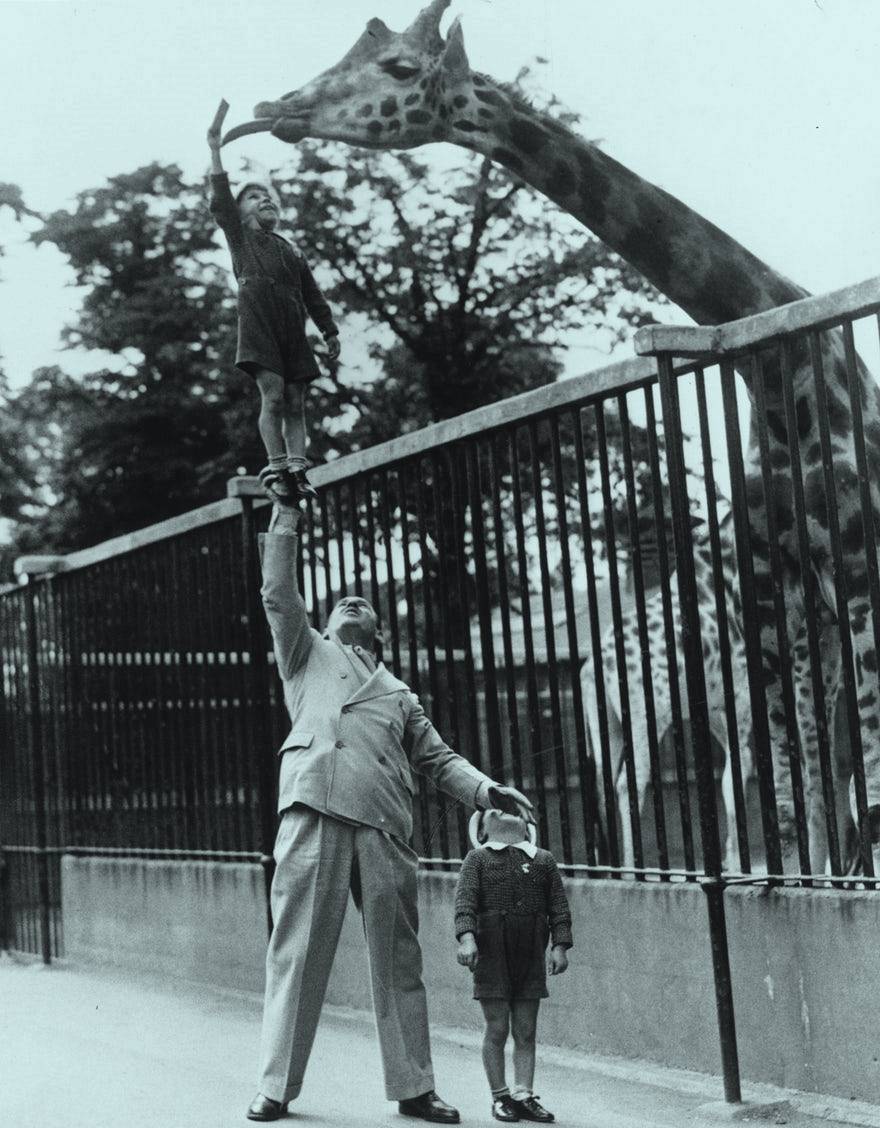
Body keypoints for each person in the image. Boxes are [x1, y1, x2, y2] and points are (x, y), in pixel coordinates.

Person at [246, 491, 534, 1123]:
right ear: (324, 624)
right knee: (296, 953)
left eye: (364, 604)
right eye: (341, 602)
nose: (352, 601)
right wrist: (286, 514)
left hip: (383, 827)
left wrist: (486, 790)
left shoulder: (400, 693)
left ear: (379, 633)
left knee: (400, 961)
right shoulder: (305, 652)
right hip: (315, 812)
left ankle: (414, 1087)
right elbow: (277, 593)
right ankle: (276, 1086)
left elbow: (439, 758)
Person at [207, 99, 340, 500]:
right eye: (253, 197)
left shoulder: (291, 250)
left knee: (297, 400)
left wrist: (329, 330)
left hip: (291, 327)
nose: (263, 200)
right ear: (239, 211)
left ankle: (299, 467)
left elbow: (313, 295)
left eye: (267, 196)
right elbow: (221, 198)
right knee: (275, 395)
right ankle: (278, 466)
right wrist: (215, 150)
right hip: (260, 324)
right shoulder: (240, 238)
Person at [454, 809, 572, 1123]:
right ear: (482, 830)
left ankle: (523, 1094)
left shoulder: (543, 860)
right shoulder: (477, 859)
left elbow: (559, 907)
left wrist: (559, 946)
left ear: (526, 826)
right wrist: (467, 939)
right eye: (494, 809)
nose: (502, 810)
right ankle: (500, 1096)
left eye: (511, 809)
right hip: (492, 954)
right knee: (497, 1028)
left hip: (530, 954)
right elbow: (465, 904)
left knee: (526, 1029)